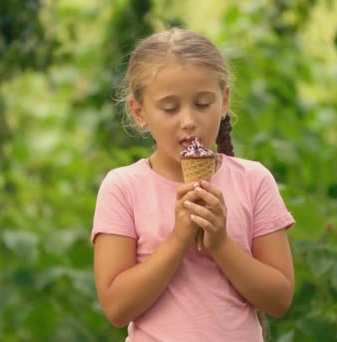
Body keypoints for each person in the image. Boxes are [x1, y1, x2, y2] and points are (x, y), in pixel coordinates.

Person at [91, 27, 295, 341]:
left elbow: (279, 299)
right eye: (170, 108)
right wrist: (178, 238)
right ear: (139, 112)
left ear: (224, 101)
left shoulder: (254, 181)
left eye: (202, 104)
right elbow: (117, 308)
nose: (188, 120)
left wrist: (221, 244)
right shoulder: (123, 187)